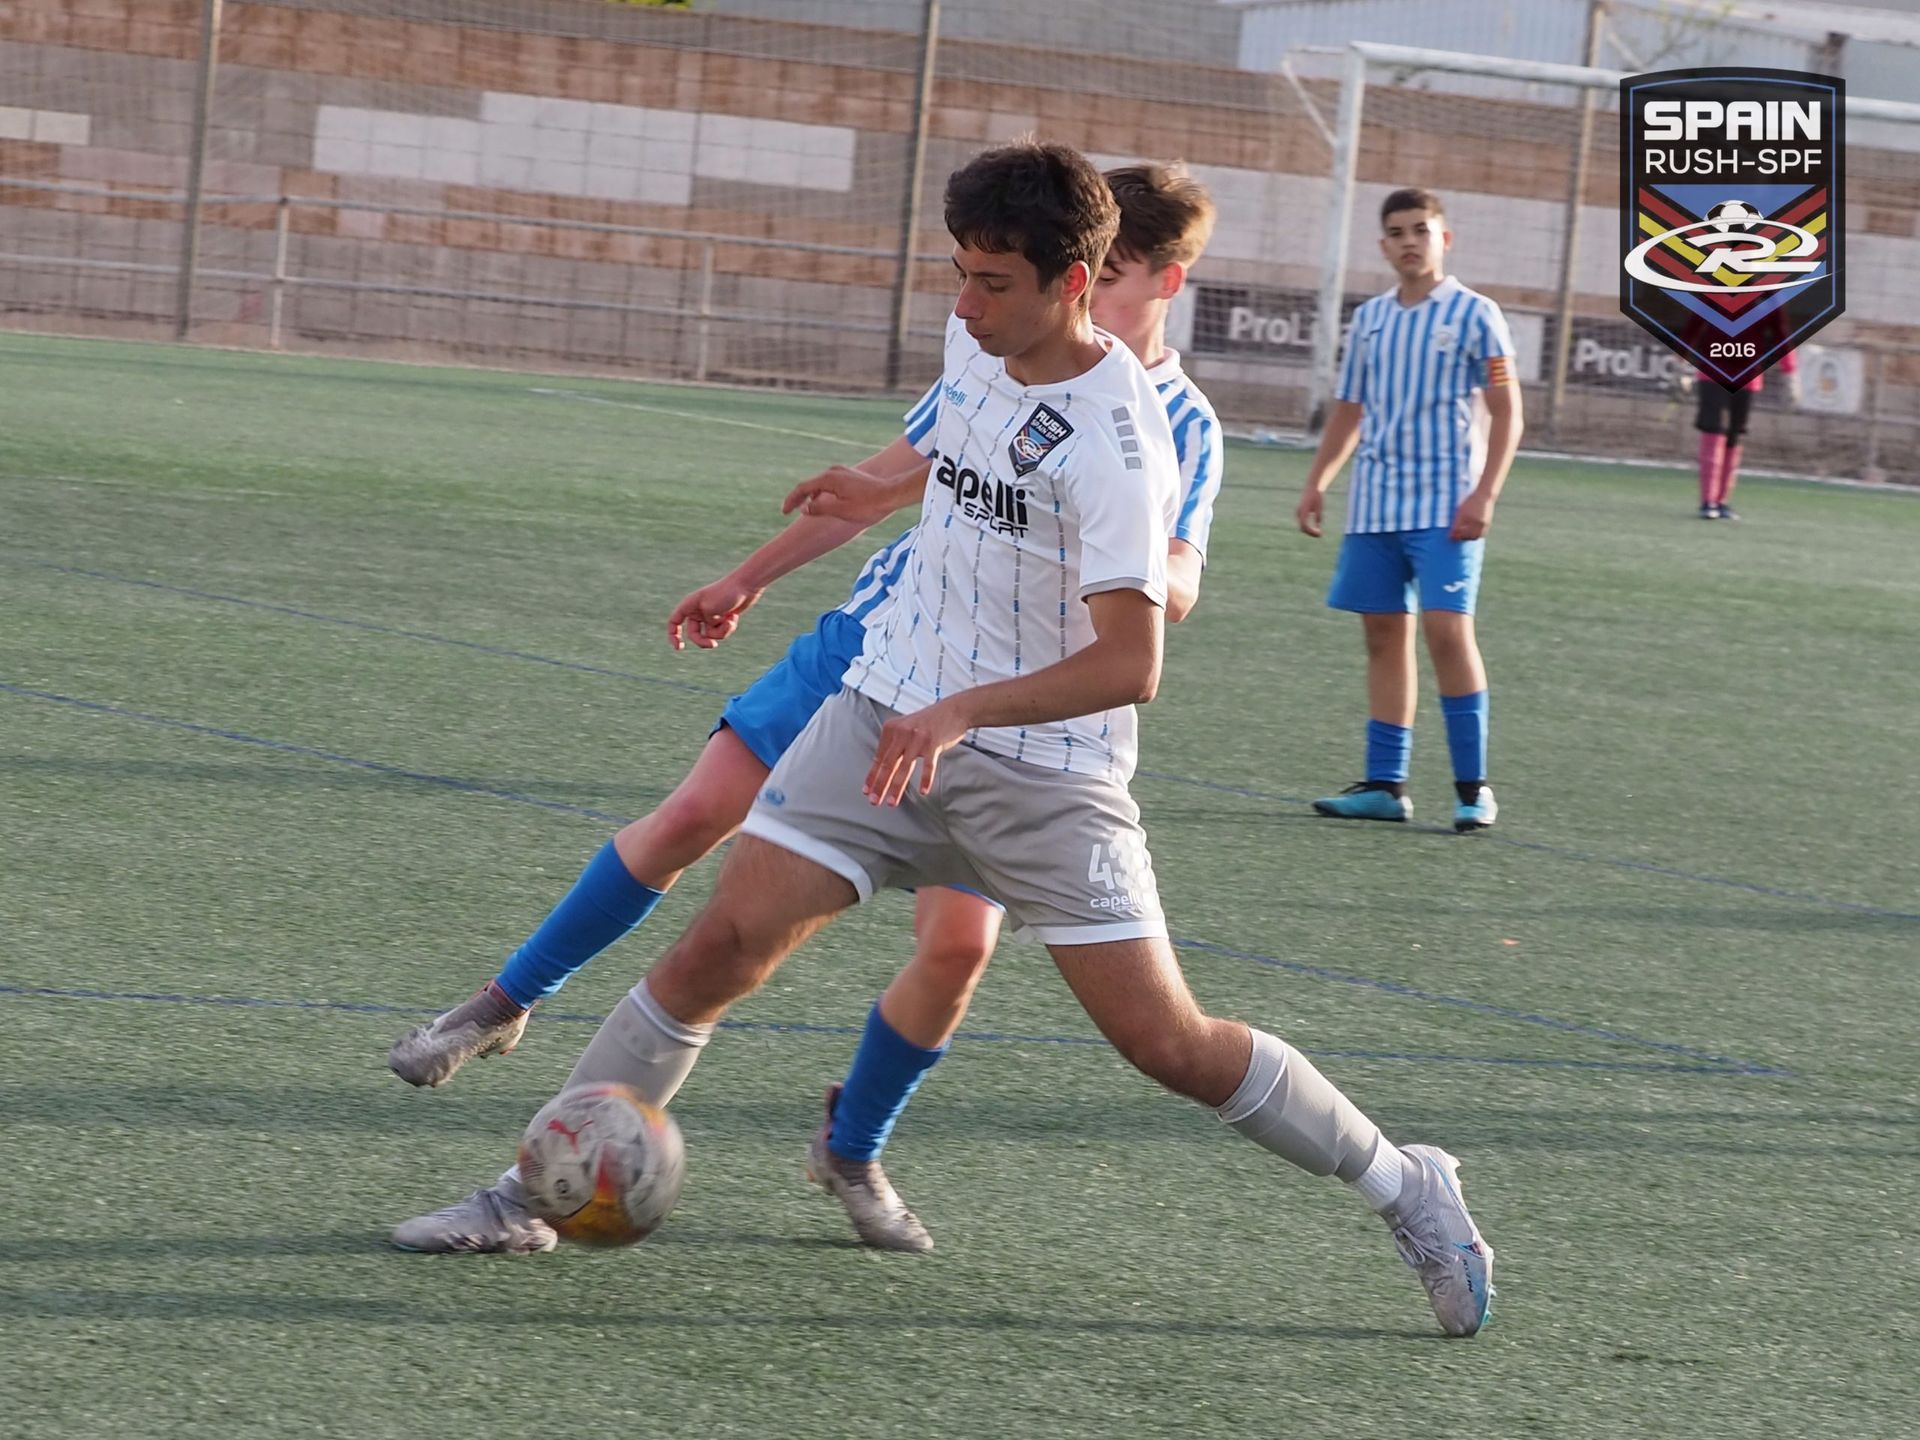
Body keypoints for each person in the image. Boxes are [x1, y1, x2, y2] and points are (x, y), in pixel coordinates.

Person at [391, 141, 1494, 1340]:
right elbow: (934, 466)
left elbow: (1134, 663)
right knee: (717, 946)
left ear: (1077, 283)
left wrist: (964, 711)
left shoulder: (1125, 441)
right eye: (958, 275)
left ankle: (1405, 1182)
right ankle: (527, 1194)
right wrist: (848, 507)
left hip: (1043, 773)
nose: (964, 306)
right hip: (882, 713)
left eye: (992, 283)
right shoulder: (981, 348)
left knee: (1165, 1042)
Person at [802, 161, 1225, 1254]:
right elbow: (931, 458)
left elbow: (1173, 586)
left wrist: (1126, 560)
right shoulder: (997, 341)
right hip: (895, 662)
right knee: (710, 836)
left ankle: (850, 1146)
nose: (1108, 299)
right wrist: (789, 548)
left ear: (1146, 283)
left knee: (956, 954)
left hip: (1032, 731)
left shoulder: (1171, 422)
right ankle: (520, 1022)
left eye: (1127, 277)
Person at [1294, 187, 1522, 832]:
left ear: (1444, 238)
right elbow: (1350, 409)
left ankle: (1473, 787)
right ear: (1383, 245)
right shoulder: (1369, 319)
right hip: (1374, 506)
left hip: (1447, 504)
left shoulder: (1478, 314)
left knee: (1448, 632)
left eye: (1421, 229)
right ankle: (1385, 785)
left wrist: (1486, 494)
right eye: (1396, 232)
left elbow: (1507, 410)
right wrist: (1318, 482)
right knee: (1382, 636)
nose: (1409, 241)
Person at [1689, 318, 1800, 522]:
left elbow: (1780, 332)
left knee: (1734, 437)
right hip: (1713, 373)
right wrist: (1681, 365)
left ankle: (1721, 501)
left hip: (1748, 377)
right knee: (1714, 432)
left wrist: (1790, 372)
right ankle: (1708, 502)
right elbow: (1695, 323)